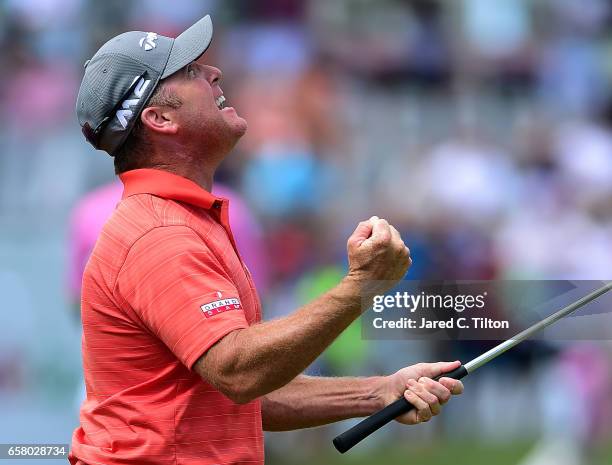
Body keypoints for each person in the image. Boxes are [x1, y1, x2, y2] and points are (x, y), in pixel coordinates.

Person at [69, 15, 464, 465]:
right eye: (190, 72)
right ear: (159, 118)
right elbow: (238, 371)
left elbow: (237, 392)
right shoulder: (160, 233)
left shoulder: (181, 219)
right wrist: (361, 287)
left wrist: (380, 391)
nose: (213, 72)